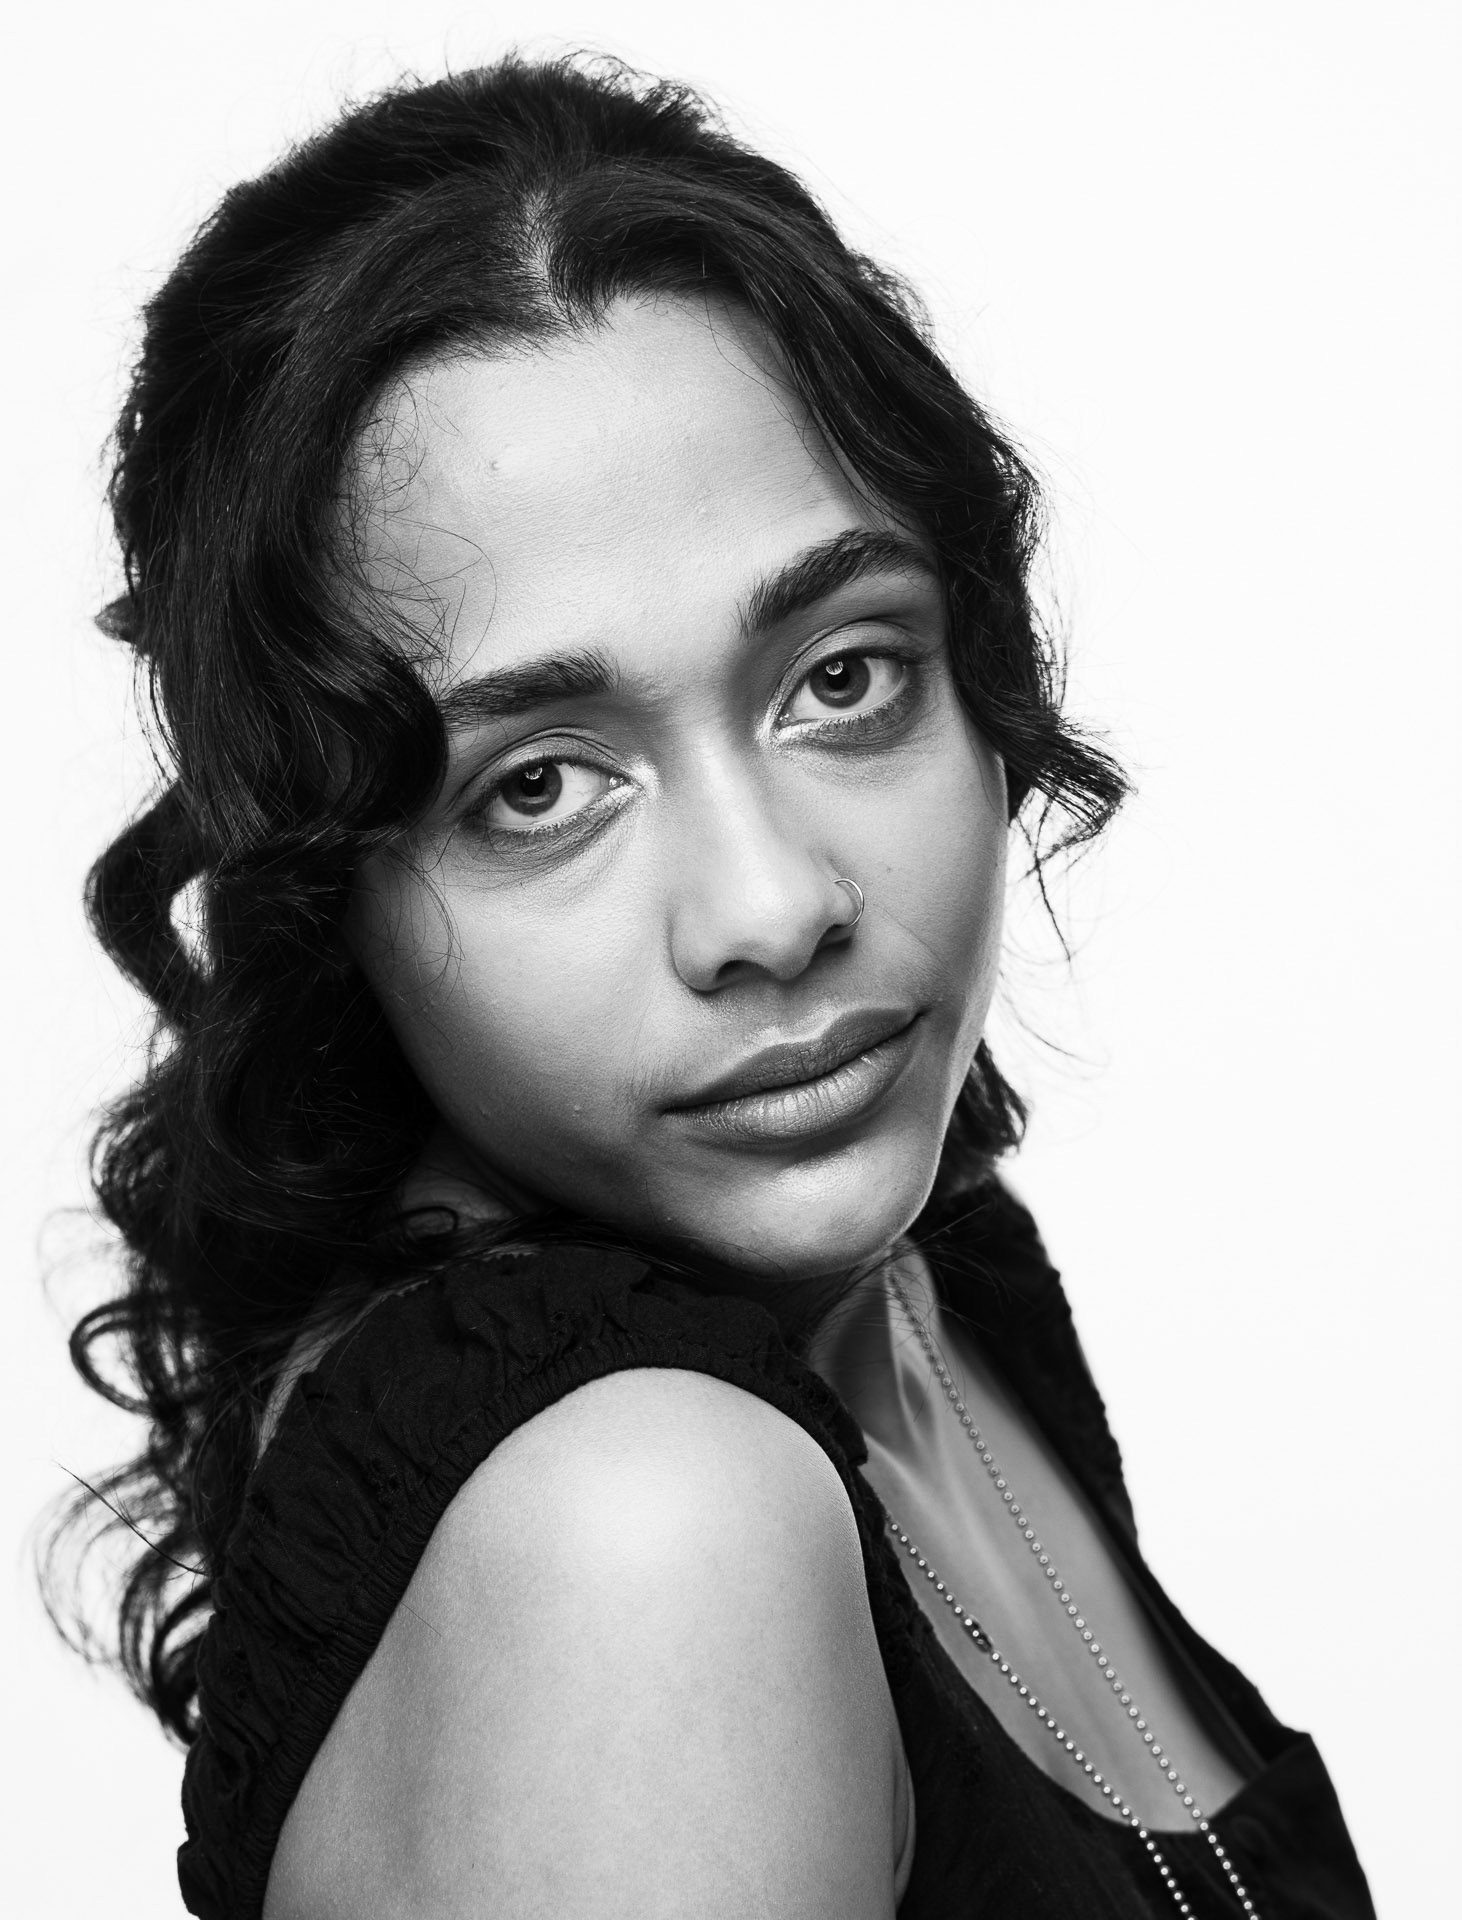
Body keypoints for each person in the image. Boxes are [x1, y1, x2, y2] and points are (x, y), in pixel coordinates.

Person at [54, 53, 1375, 1919]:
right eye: (537, 787)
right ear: (327, 886)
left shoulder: (927, 1287)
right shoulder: (644, 1522)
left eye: (840, 677)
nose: (771, 907)